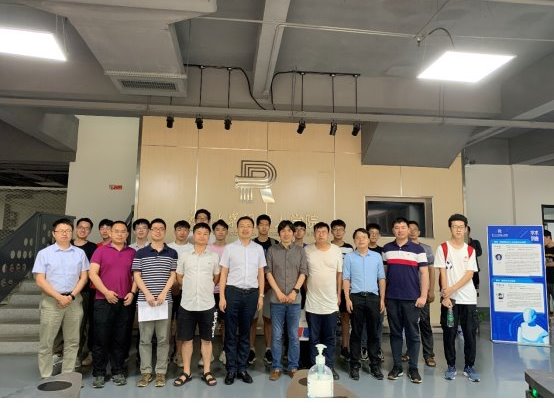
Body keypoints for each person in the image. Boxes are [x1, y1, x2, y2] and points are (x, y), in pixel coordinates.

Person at [32, 218, 89, 378]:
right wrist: (58, 296)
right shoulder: (44, 254)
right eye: (61, 231)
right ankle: (46, 375)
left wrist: (71, 296)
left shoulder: (80, 253)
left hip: (73, 300)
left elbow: (84, 277)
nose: (65, 234)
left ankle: (67, 375)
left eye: (68, 231)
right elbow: (40, 279)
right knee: (47, 341)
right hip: (51, 300)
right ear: (54, 233)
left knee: (73, 341)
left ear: (72, 233)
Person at [88, 220, 136, 388]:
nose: (120, 234)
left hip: (125, 301)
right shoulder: (100, 250)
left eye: (123, 231)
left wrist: (132, 292)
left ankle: (118, 371)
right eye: (116, 231)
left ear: (127, 234)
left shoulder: (132, 252)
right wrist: (106, 292)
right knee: (100, 338)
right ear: (110, 233)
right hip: (103, 301)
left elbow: (136, 275)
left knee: (120, 338)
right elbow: (93, 274)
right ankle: (99, 373)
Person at [219, 216, 266, 385]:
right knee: (231, 332)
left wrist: (261, 296)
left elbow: (261, 273)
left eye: (248, 226)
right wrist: (222, 296)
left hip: (251, 294)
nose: (245, 229)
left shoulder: (258, 249)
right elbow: (224, 273)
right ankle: (231, 369)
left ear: (252, 229)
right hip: (233, 292)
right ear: (237, 229)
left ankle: (242, 368)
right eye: (242, 226)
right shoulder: (230, 248)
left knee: (246, 332)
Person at [132, 218, 178, 388]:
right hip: (145, 302)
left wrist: (164, 293)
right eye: (155, 228)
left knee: (163, 339)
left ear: (165, 231)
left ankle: (160, 372)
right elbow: (137, 275)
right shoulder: (141, 253)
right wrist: (148, 294)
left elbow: (173, 275)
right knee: (145, 338)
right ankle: (145, 372)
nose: (158, 231)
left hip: (165, 302)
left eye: (161, 229)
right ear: (150, 231)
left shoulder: (172, 253)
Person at [174, 223, 220, 387]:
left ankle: (207, 371)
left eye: (205, 233)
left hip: (207, 305)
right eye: (199, 233)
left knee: (207, 340)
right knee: (186, 340)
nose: (202, 236)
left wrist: (204, 288)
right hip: (187, 304)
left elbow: (216, 277)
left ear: (209, 237)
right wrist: (190, 287)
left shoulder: (214, 257)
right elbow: (179, 277)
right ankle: (186, 371)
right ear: (194, 236)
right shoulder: (185, 256)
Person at [382, 217, 428, 384]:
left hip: (411, 299)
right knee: (395, 333)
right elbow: (383, 275)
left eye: (403, 227)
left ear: (409, 230)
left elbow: (424, 273)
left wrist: (423, 295)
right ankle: (397, 367)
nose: (400, 230)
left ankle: (413, 368)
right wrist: (383, 297)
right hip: (392, 298)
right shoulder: (387, 249)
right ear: (393, 230)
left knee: (413, 334)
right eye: (397, 227)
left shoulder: (418, 249)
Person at [435, 213, 480, 382]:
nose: (458, 230)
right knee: (449, 333)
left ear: (466, 229)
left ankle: (469, 366)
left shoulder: (470, 250)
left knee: (469, 334)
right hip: (450, 300)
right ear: (450, 228)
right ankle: (451, 366)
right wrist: (445, 295)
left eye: (461, 227)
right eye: (455, 227)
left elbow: (469, 274)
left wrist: (451, 289)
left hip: (468, 299)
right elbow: (442, 272)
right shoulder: (443, 248)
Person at [265, 220, 307, 380]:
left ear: (293, 233)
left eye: (289, 230)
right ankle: (276, 367)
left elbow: (303, 272)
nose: (286, 233)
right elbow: (268, 272)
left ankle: (293, 366)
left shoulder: (300, 251)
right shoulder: (272, 250)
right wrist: (278, 292)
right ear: (279, 233)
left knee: (293, 335)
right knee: (276, 335)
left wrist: (294, 291)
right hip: (276, 300)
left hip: (294, 301)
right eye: (283, 231)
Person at [343, 228, 385, 381]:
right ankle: (354, 365)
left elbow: (381, 278)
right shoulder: (349, 257)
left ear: (368, 239)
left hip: (373, 297)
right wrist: (347, 299)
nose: (361, 240)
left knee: (373, 333)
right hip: (356, 297)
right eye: (358, 237)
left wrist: (382, 299)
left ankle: (374, 365)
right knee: (356, 332)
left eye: (364, 237)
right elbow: (346, 278)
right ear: (354, 240)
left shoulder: (376, 256)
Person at [305, 222, 343, 380]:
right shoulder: (307, 250)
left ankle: (330, 366)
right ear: (314, 234)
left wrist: (338, 294)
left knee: (330, 338)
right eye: (318, 231)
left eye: (323, 231)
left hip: (330, 302)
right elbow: (304, 274)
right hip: (312, 302)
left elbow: (339, 274)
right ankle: (315, 368)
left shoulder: (336, 250)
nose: (321, 234)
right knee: (314, 338)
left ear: (328, 234)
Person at [402, 220, 437, 367]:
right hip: (408, 292)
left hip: (423, 292)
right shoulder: (403, 248)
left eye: (414, 229)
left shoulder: (426, 249)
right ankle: (410, 352)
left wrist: (431, 290)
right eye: (409, 229)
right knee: (409, 324)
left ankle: (428, 355)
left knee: (424, 323)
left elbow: (431, 271)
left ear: (419, 232)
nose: (412, 232)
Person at [251, 214, 279, 366]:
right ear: (257, 226)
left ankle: (269, 349)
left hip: (271, 287)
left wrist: (270, 284)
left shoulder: (275, 244)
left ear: (269, 226)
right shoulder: (251, 243)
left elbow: (277, 266)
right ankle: (251, 349)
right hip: (253, 287)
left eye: (266, 224)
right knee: (252, 319)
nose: (263, 227)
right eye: (261, 224)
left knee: (268, 319)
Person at [71, 217, 97, 367]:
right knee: (68, 325)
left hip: (85, 291)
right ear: (76, 228)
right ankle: (64, 354)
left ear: (90, 231)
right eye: (81, 227)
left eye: (87, 228)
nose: (83, 230)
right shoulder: (67, 244)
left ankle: (78, 355)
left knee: (82, 324)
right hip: (65, 291)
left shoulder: (93, 248)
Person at [167, 220, 193, 367]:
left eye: (185, 230)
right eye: (179, 229)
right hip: (168, 291)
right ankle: (167, 352)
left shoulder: (192, 248)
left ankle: (179, 353)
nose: (182, 232)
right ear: (174, 231)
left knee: (182, 323)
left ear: (188, 232)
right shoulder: (168, 247)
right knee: (168, 323)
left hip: (186, 291)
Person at [330, 219, 354, 361]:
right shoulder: (328, 246)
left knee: (345, 317)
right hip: (330, 288)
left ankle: (345, 347)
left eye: (340, 229)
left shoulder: (350, 248)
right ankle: (329, 347)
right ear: (331, 231)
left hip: (345, 288)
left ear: (344, 231)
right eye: (335, 229)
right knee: (330, 318)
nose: (338, 232)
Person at [209, 219, 229, 365]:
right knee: (209, 322)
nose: (220, 232)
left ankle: (225, 351)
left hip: (227, 291)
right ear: (213, 232)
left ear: (227, 232)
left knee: (225, 322)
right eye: (217, 229)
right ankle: (207, 353)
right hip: (210, 291)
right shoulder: (208, 248)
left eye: (223, 229)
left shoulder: (231, 248)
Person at [366, 223, 385, 362]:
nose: (373, 235)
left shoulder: (382, 252)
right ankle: (364, 348)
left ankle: (377, 348)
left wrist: (383, 296)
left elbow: (383, 275)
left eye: (376, 233)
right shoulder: (359, 250)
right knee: (363, 323)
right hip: (362, 292)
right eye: (371, 232)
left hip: (377, 293)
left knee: (378, 322)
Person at [467, 226, 483, 294]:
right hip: (462, 270)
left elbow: (479, 253)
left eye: (466, 230)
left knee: (475, 290)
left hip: (474, 270)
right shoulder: (458, 244)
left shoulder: (475, 242)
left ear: (469, 232)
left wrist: (469, 249)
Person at [543, 230, 554, 316]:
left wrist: (544, 264)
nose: (542, 241)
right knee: (545, 302)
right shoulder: (543, 249)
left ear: (548, 237)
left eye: (543, 239)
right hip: (545, 281)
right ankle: (548, 319)